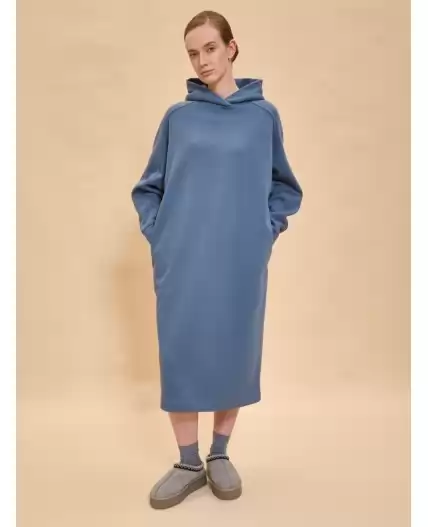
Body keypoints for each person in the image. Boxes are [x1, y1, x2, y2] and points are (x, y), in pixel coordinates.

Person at [131, 10, 303, 509]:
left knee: (233, 351)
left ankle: (220, 453)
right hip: (182, 259)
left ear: (231, 47)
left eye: (210, 48)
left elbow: (283, 186)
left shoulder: (263, 116)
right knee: (182, 352)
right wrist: (161, 235)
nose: (202, 61)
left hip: (239, 262)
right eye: (192, 53)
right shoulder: (178, 118)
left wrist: (264, 232)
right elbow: (149, 187)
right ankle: (188, 462)